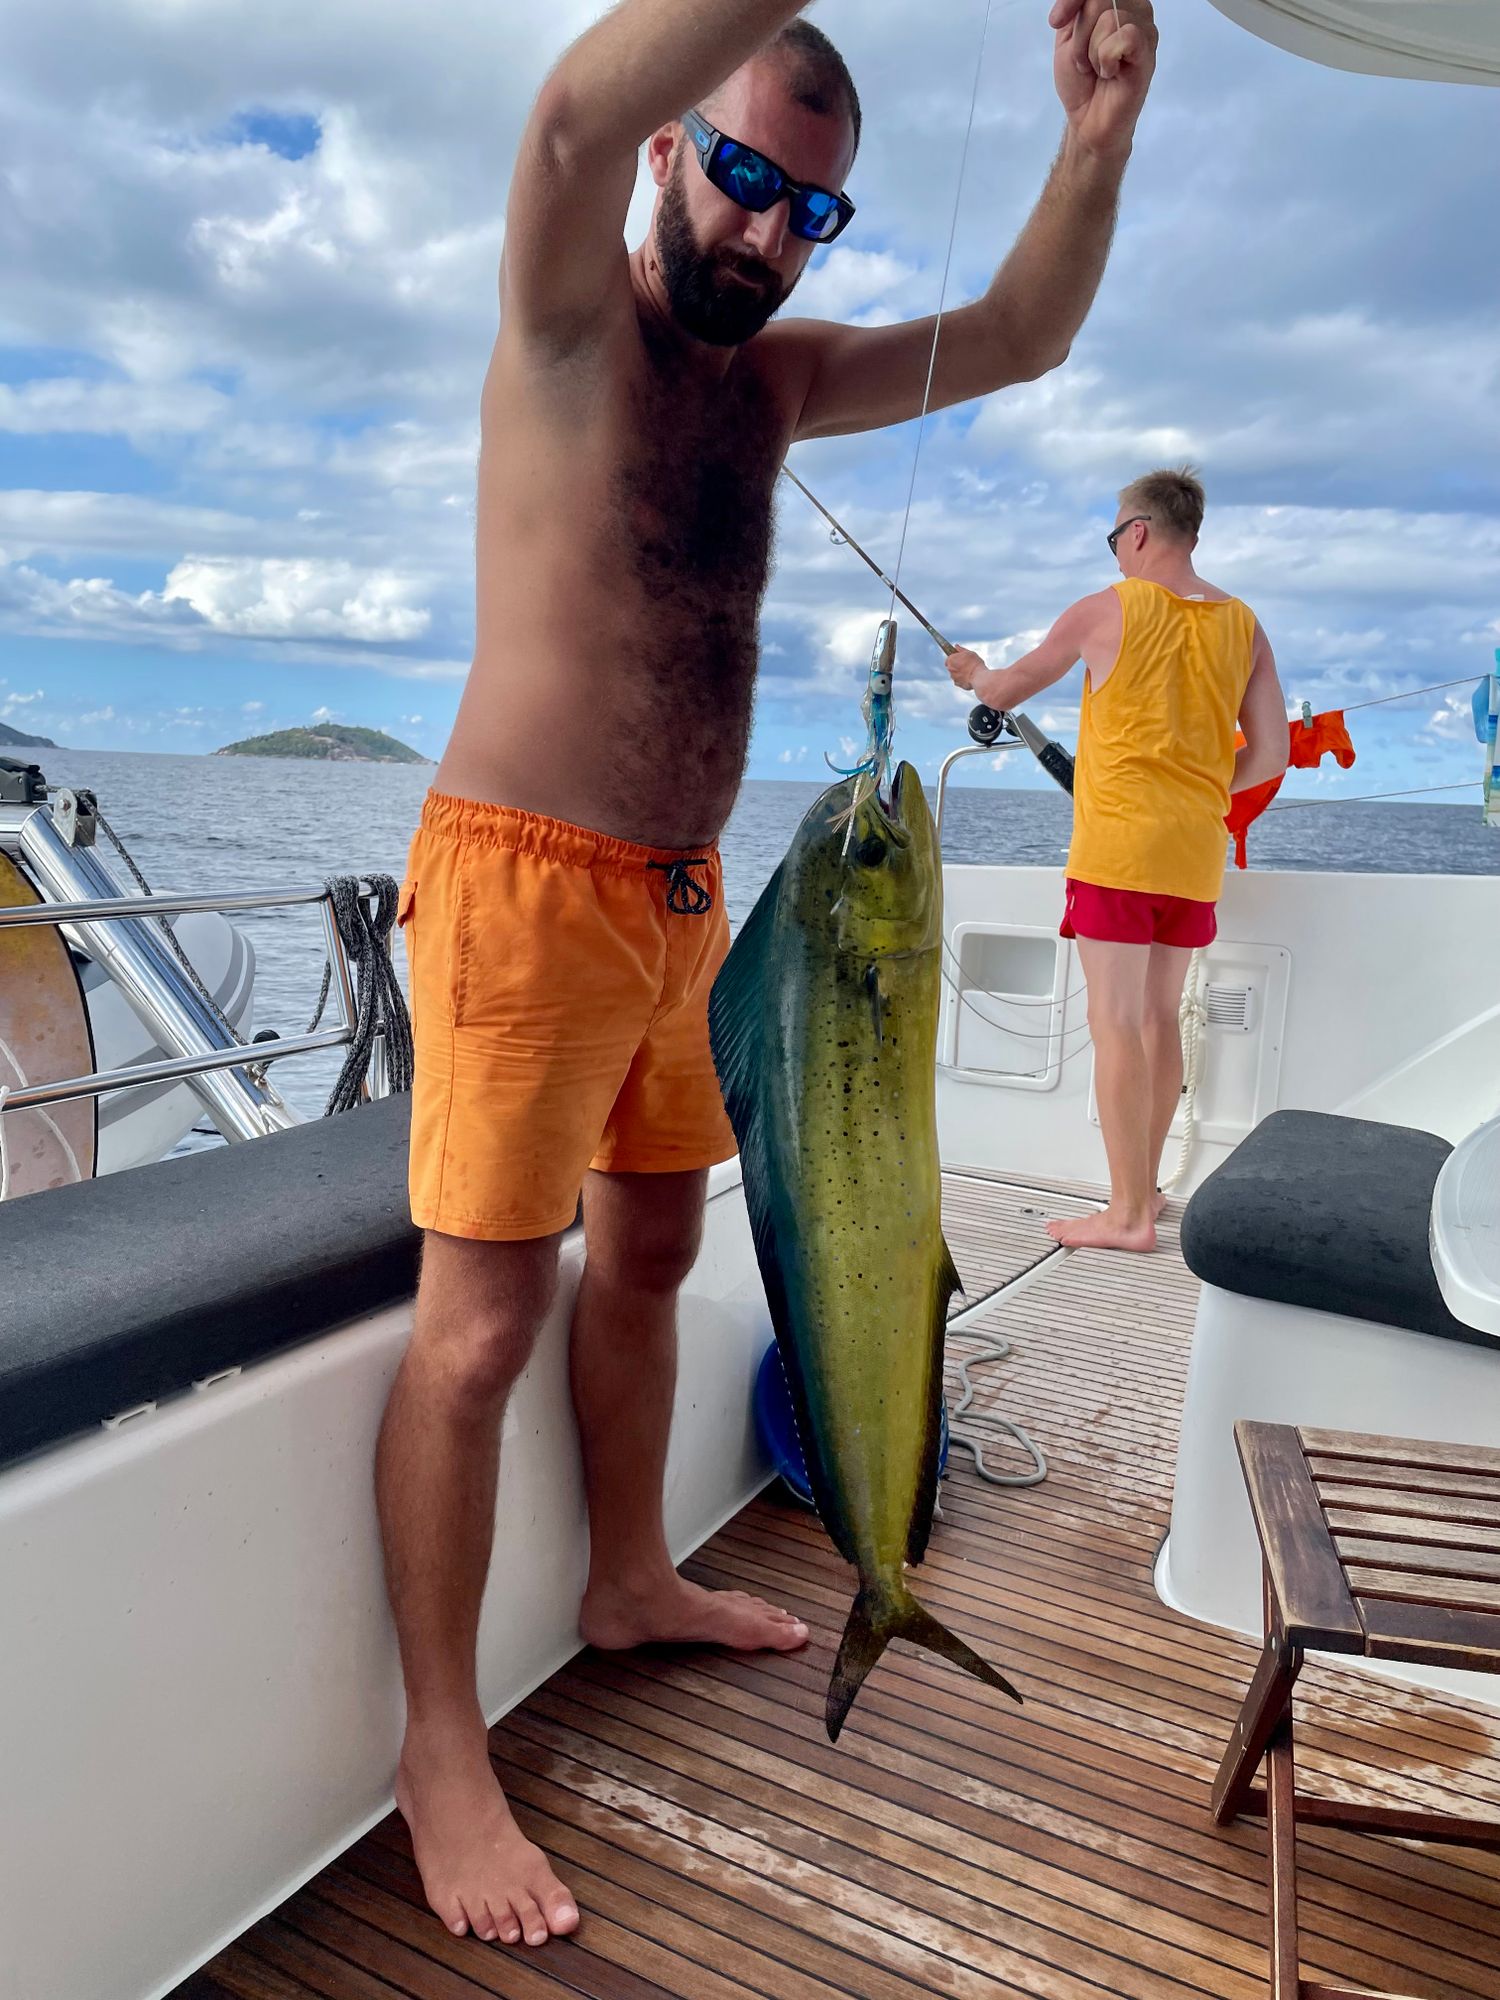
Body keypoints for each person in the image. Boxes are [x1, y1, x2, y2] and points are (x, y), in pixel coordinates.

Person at [381, 0, 1158, 1949]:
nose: (767, 230)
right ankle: (438, 1745)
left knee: (652, 1254)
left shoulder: (782, 384)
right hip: (522, 882)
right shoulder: (571, 317)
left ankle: (627, 1575)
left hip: (689, 903)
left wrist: (1094, 137)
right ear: (673, 148)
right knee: (477, 1332)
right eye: (741, 174)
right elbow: (564, 124)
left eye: (813, 210)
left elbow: (1021, 334)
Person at [946, 467, 1288, 1253]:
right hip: (1193, 855)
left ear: (1137, 532)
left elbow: (1003, 691)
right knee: (1159, 1019)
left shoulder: (1105, 610)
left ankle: (1127, 1213)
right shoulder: (1245, 626)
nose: (1115, 551)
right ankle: (1147, 1190)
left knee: (1116, 1023)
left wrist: (971, 672)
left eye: (1114, 537)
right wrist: (1201, 792)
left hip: (1119, 853)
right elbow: (1270, 754)